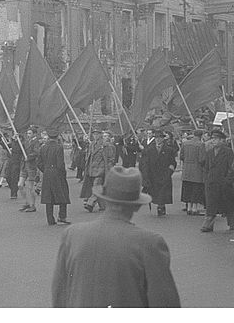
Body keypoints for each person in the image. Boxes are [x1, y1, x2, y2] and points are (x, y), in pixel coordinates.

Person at [51, 166, 181, 308]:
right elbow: (164, 303)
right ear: (137, 206)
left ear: (104, 199)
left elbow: (59, 294)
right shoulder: (150, 243)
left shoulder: (72, 235)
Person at [200, 129, 234, 232]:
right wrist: (206, 179)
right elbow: (206, 167)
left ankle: (232, 223)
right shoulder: (210, 151)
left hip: (224, 182)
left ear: (221, 140)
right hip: (212, 182)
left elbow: (231, 167)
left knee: (228, 203)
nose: (213, 141)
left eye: (216, 139)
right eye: (213, 139)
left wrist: (228, 180)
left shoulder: (228, 151)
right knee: (211, 204)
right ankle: (208, 224)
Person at [38, 129, 71, 225]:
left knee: (48, 196)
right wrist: (62, 173)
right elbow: (60, 163)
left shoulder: (43, 147)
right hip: (57, 173)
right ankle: (62, 216)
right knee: (63, 194)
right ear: (57, 137)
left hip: (47, 173)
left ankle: (50, 219)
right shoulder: (58, 147)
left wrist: (45, 170)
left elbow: (39, 162)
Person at [140, 130, 176, 217]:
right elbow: (145, 163)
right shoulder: (149, 150)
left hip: (164, 174)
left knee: (163, 193)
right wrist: (145, 176)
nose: (158, 139)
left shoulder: (169, 150)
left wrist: (170, 172)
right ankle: (159, 205)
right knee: (155, 192)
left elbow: (173, 163)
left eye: (160, 138)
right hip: (153, 174)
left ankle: (161, 207)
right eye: (156, 138)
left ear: (163, 139)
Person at [82, 129, 115, 212]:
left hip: (101, 169)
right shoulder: (92, 144)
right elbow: (88, 157)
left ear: (100, 135)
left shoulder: (106, 145)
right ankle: (103, 206)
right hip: (91, 169)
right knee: (97, 187)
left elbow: (111, 159)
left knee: (97, 186)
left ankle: (90, 203)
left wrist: (108, 169)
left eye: (97, 134)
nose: (95, 136)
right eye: (94, 134)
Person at [180, 130, 206, 216]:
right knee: (196, 189)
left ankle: (188, 207)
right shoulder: (201, 144)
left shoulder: (185, 143)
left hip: (187, 169)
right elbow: (202, 159)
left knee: (187, 188)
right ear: (201, 136)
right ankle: (194, 208)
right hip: (197, 169)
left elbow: (181, 156)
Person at [18, 128, 41, 212]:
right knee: (20, 185)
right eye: (27, 133)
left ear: (34, 134)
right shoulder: (27, 141)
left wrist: (29, 156)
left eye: (30, 133)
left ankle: (32, 205)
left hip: (31, 166)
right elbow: (20, 147)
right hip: (24, 166)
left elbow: (36, 152)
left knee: (30, 187)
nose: (28, 135)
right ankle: (26, 202)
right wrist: (16, 139)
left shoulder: (36, 142)